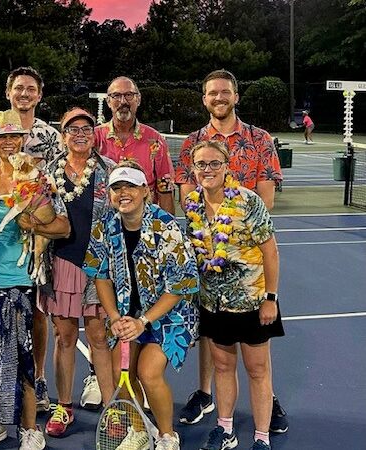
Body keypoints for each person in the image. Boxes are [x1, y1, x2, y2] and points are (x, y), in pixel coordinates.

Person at [175, 69, 288, 434]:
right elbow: (187, 201)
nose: (218, 98)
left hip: (249, 255)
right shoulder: (192, 142)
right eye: (211, 93)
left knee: (257, 356)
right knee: (214, 338)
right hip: (208, 263)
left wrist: (235, 220)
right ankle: (206, 394)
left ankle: (265, 404)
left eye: (225, 92)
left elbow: (264, 200)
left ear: (236, 96)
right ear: (204, 98)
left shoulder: (260, 139)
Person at [0, 110, 70, 450]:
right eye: (1, 137)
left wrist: (34, 225)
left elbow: (63, 226)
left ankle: (29, 428)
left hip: (18, 277)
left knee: (20, 357)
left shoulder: (39, 178)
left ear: (22, 139)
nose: (8, 142)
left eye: (14, 136)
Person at [83, 160, 200, 450]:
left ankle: (166, 435)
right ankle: (138, 430)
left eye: (130, 187)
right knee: (121, 375)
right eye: (117, 188)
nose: (123, 193)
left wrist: (142, 321)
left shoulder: (167, 227)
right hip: (125, 315)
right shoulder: (105, 226)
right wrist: (115, 318)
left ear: (145, 191)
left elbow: (180, 286)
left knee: (148, 372)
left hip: (170, 314)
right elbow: (101, 277)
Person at [185, 140, 284, 450]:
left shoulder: (247, 201)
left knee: (257, 370)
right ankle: (225, 430)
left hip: (253, 302)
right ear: (194, 169)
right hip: (213, 303)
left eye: (215, 163)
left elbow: (271, 252)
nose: (208, 170)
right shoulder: (191, 205)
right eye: (202, 164)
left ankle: (262, 437)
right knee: (224, 367)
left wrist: (271, 298)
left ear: (226, 166)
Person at [38, 107, 115, 437]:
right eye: (73, 129)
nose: (80, 133)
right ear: (63, 134)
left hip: (99, 267)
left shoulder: (112, 171)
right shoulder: (45, 173)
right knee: (64, 337)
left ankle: (112, 410)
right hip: (62, 264)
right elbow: (37, 217)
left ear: (94, 133)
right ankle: (64, 406)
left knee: (99, 337)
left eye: (86, 128)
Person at [95, 76, 175, 215]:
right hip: (102, 221)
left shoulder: (155, 140)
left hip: (144, 222)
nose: (123, 101)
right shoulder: (95, 138)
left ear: (138, 99)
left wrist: (168, 229)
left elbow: (165, 188)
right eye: (116, 96)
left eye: (129, 95)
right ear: (108, 101)